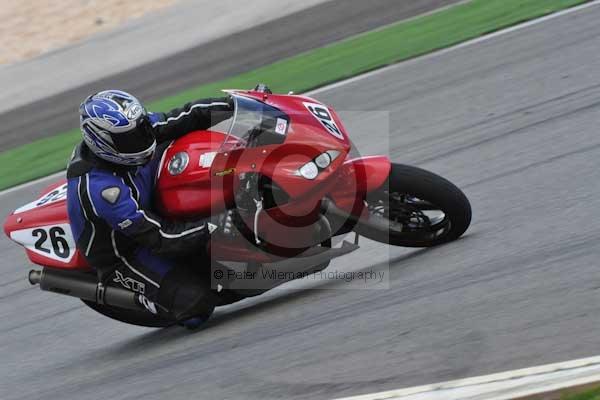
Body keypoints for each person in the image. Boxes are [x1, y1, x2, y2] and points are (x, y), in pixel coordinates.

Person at [66, 89, 233, 321]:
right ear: (102, 142)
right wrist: (215, 225)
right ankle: (152, 300)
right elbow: (159, 237)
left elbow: (185, 116)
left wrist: (235, 104)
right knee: (196, 304)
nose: (142, 138)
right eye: (129, 138)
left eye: (141, 128)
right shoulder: (103, 191)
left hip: (150, 201)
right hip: (127, 252)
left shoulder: (135, 130)